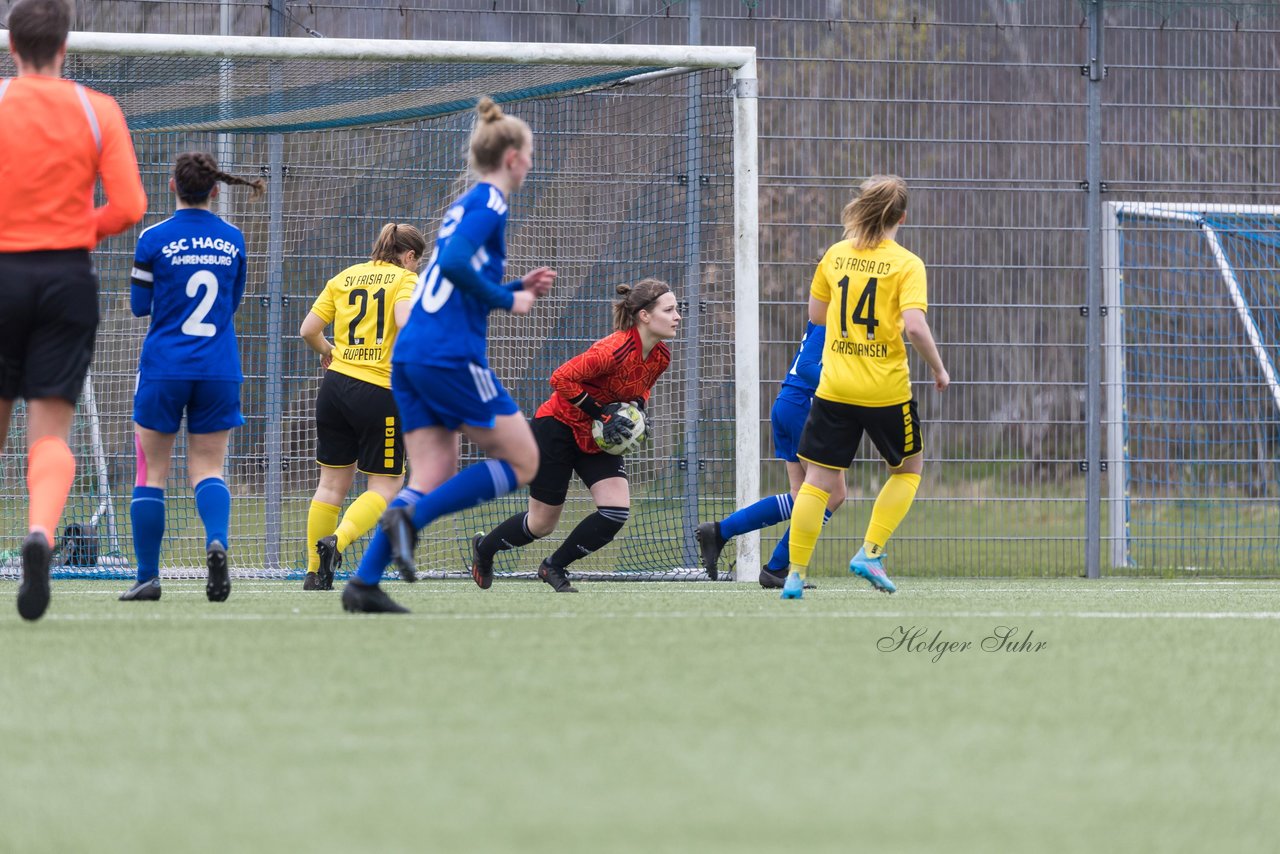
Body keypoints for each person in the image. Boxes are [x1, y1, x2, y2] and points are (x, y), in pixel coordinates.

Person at [341, 95, 556, 614]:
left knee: (432, 474)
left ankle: (363, 584)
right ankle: (408, 521)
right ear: (511, 158)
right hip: (447, 356)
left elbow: (448, 278)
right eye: (529, 153)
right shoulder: (492, 203)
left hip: (412, 355)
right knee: (524, 460)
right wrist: (509, 298)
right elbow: (457, 263)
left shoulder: (462, 204)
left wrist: (508, 283)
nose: (531, 162)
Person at [1, 0, 147, 621]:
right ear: (64, 47)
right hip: (67, 276)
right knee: (50, 433)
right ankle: (40, 534)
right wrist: (77, 228)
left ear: (11, 47)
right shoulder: (98, 110)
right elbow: (131, 205)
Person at [779, 174, 949, 600]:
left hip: (834, 388)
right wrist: (939, 369)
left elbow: (816, 315)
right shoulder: (907, 263)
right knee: (909, 469)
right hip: (886, 391)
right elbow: (914, 325)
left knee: (816, 483)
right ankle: (870, 552)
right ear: (902, 217)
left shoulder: (835, 255)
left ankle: (795, 575)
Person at [119, 152, 264, 603]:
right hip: (219, 368)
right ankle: (216, 542)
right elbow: (232, 302)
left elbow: (139, 305)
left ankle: (147, 577)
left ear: (171, 186)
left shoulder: (153, 238)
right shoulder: (234, 239)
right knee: (208, 468)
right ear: (216, 189)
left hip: (165, 366)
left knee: (152, 472)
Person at [471, 279, 678, 593]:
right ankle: (485, 549)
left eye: (677, 309)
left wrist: (637, 414)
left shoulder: (662, 356)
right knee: (541, 524)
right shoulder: (613, 349)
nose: (678, 316)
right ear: (644, 316)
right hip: (557, 427)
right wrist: (599, 413)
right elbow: (561, 378)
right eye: (670, 309)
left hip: (598, 437)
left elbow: (640, 390)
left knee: (615, 511)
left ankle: (553, 566)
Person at [299, 223, 426, 591]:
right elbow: (405, 319)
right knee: (386, 485)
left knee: (330, 485)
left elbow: (308, 329)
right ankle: (338, 542)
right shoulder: (405, 280)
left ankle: (313, 573)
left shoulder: (346, 276)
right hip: (380, 391)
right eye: (417, 261)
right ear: (409, 256)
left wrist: (328, 352)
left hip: (335, 387)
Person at [694, 321, 844, 589]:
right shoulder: (832, 318)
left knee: (802, 496)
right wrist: (847, 392)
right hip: (804, 407)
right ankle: (777, 566)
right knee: (830, 495)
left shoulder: (836, 317)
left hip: (793, 404)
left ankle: (722, 533)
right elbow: (808, 367)